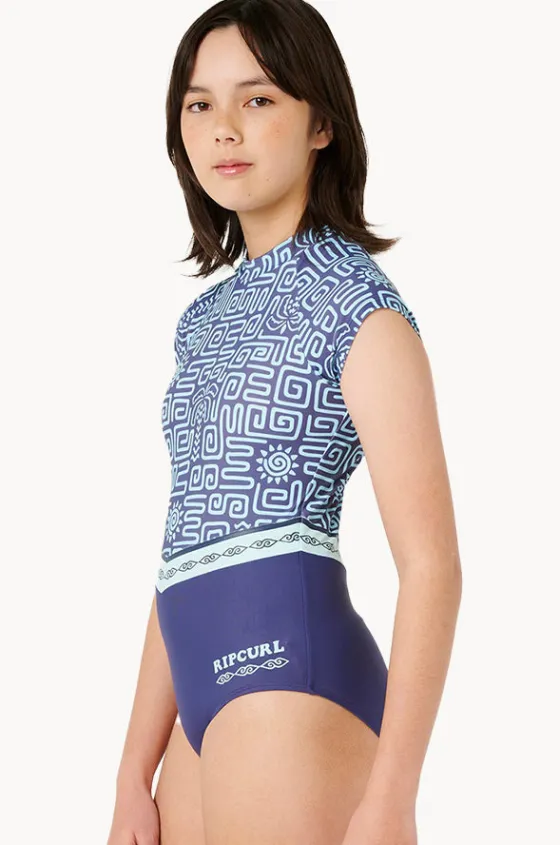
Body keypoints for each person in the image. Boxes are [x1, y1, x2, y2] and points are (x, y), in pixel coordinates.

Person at [107, 2, 462, 844]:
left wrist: (394, 795)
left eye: (258, 99)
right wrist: (130, 772)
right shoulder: (203, 323)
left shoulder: (361, 310)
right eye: (199, 104)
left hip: (289, 683)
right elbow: (186, 538)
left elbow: (433, 565)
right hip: (196, 710)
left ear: (321, 124)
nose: (224, 127)